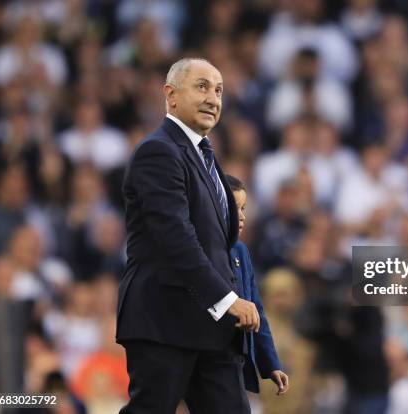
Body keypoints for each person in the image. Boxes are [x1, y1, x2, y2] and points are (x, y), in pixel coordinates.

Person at [116, 58, 260, 414]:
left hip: (212, 328)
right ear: (171, 95)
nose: (214, 98)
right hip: (164, 319)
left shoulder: (207, 159)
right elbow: (175, 237)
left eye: (219, 90)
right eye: (202, 86)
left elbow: (222, 249)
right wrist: (227, 300)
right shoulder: (158, 151)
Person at [226, 174, 289, 396]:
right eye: (235, 208)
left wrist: (271, 364)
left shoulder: (241, 252)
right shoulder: (200, 250)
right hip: (200, 355)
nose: (242, 216)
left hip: (231, 359)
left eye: (244, 208)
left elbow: (257, 311)